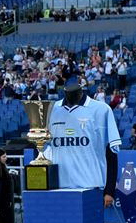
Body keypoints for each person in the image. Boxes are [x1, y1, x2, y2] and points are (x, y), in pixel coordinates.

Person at [47, 77, 121, 207]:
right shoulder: (52, 109)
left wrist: (109, 190)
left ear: (81, 89)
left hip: (91, 186)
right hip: (59, 186)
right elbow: (45, 149)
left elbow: (111, 154)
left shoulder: (101, 109)